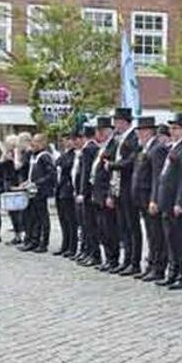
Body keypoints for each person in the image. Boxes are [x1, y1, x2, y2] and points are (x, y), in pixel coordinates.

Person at [154, 114, 182, 287]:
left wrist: (180, 201)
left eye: (177, 128)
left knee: (180, 240)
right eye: (172, 128)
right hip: (166, 199)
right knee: (170, 239)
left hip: (175, 201)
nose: (173, 131)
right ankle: (173, 271)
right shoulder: (174, 147)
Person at [135, 118, 168, 281]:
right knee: (150, 234)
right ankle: (151, 264)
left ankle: (158, 267)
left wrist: (154, 199)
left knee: (156, 235)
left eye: (141, 131)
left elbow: (157, 176)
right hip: (142, 197)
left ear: (149, 131)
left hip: (150, 197)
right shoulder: (146, 148)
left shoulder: (158, 149)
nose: (138, 134)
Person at [109, 108, 142, 275]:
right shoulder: (119, 139)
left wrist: (113, 165)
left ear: (124, 122)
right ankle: (127, 259)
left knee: (132, 226)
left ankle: (134, 261)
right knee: (123, 226)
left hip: (129, 187)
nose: (115, 125)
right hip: (119, 187)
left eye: (117, 121)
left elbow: (131, 161)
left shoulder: (132, 137)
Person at [20, 133, 55, 253]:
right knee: (33, 217)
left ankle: (43, 242)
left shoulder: (45, 156)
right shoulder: (33, 156)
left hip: (41, 191)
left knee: (42, 217)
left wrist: (37, 182)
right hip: (32, 191)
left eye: (36, 142)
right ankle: (33, 240)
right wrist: (27, 182)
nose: (33, 144)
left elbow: (51, 174)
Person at [92, 116, 119, 271]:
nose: (99, 134)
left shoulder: (114, 146)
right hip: (97, 192)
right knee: (102, 228)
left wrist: (110, 194)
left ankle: (113, 258)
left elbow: (112, 174)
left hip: (105, 193)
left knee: (110, 229)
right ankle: (108, 258)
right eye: (98, 131)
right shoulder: (101, 147)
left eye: (102, 131)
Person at [76, 124, 101, 267]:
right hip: (87, 192)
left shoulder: (88, 149)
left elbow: (85, 173)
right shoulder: (93, 148)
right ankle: (89, 252)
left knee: (90, 225)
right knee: (87, 226)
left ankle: (93, 253)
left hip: (86, 193)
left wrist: (82, 192)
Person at [54, 129, 79, 258]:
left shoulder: (75, 155)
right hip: (60, 189)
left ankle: (72, 247)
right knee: (63, 220)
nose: (68, 142)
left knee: (71, 221)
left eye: (70, 140)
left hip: (69, 190)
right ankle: (65, 244)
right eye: (65, 140)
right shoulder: (63, 154)